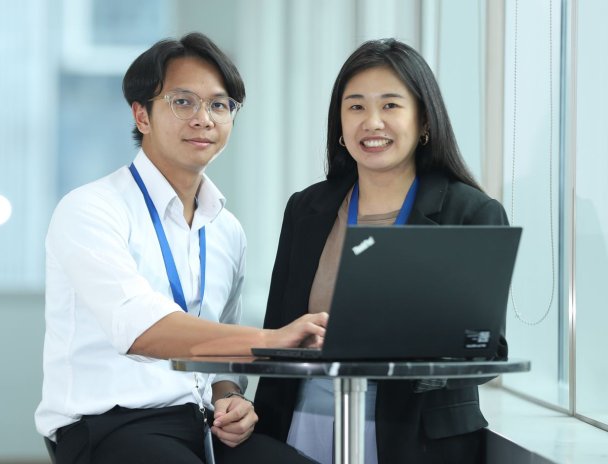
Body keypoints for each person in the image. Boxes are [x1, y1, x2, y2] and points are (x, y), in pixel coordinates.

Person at [34, 32, 327, 464]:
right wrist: (271, 341)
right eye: (183, 101)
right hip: (109, 429)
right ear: (142, 115)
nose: (204, 118)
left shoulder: (226, 229)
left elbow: (220, 356)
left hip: (202, 427)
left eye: (219, 104)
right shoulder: (91, 209)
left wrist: (232, 399)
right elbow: (141, 331)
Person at [253, 38, 509, 464]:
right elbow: (276, 332)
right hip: (303, 422)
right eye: (356, 107)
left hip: (417, 435)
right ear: (339, 122)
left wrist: (409, 349)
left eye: (390, 106)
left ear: (424, 119)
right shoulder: (307, 209)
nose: (372, 122)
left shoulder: (470, 212)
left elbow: (485, 351)